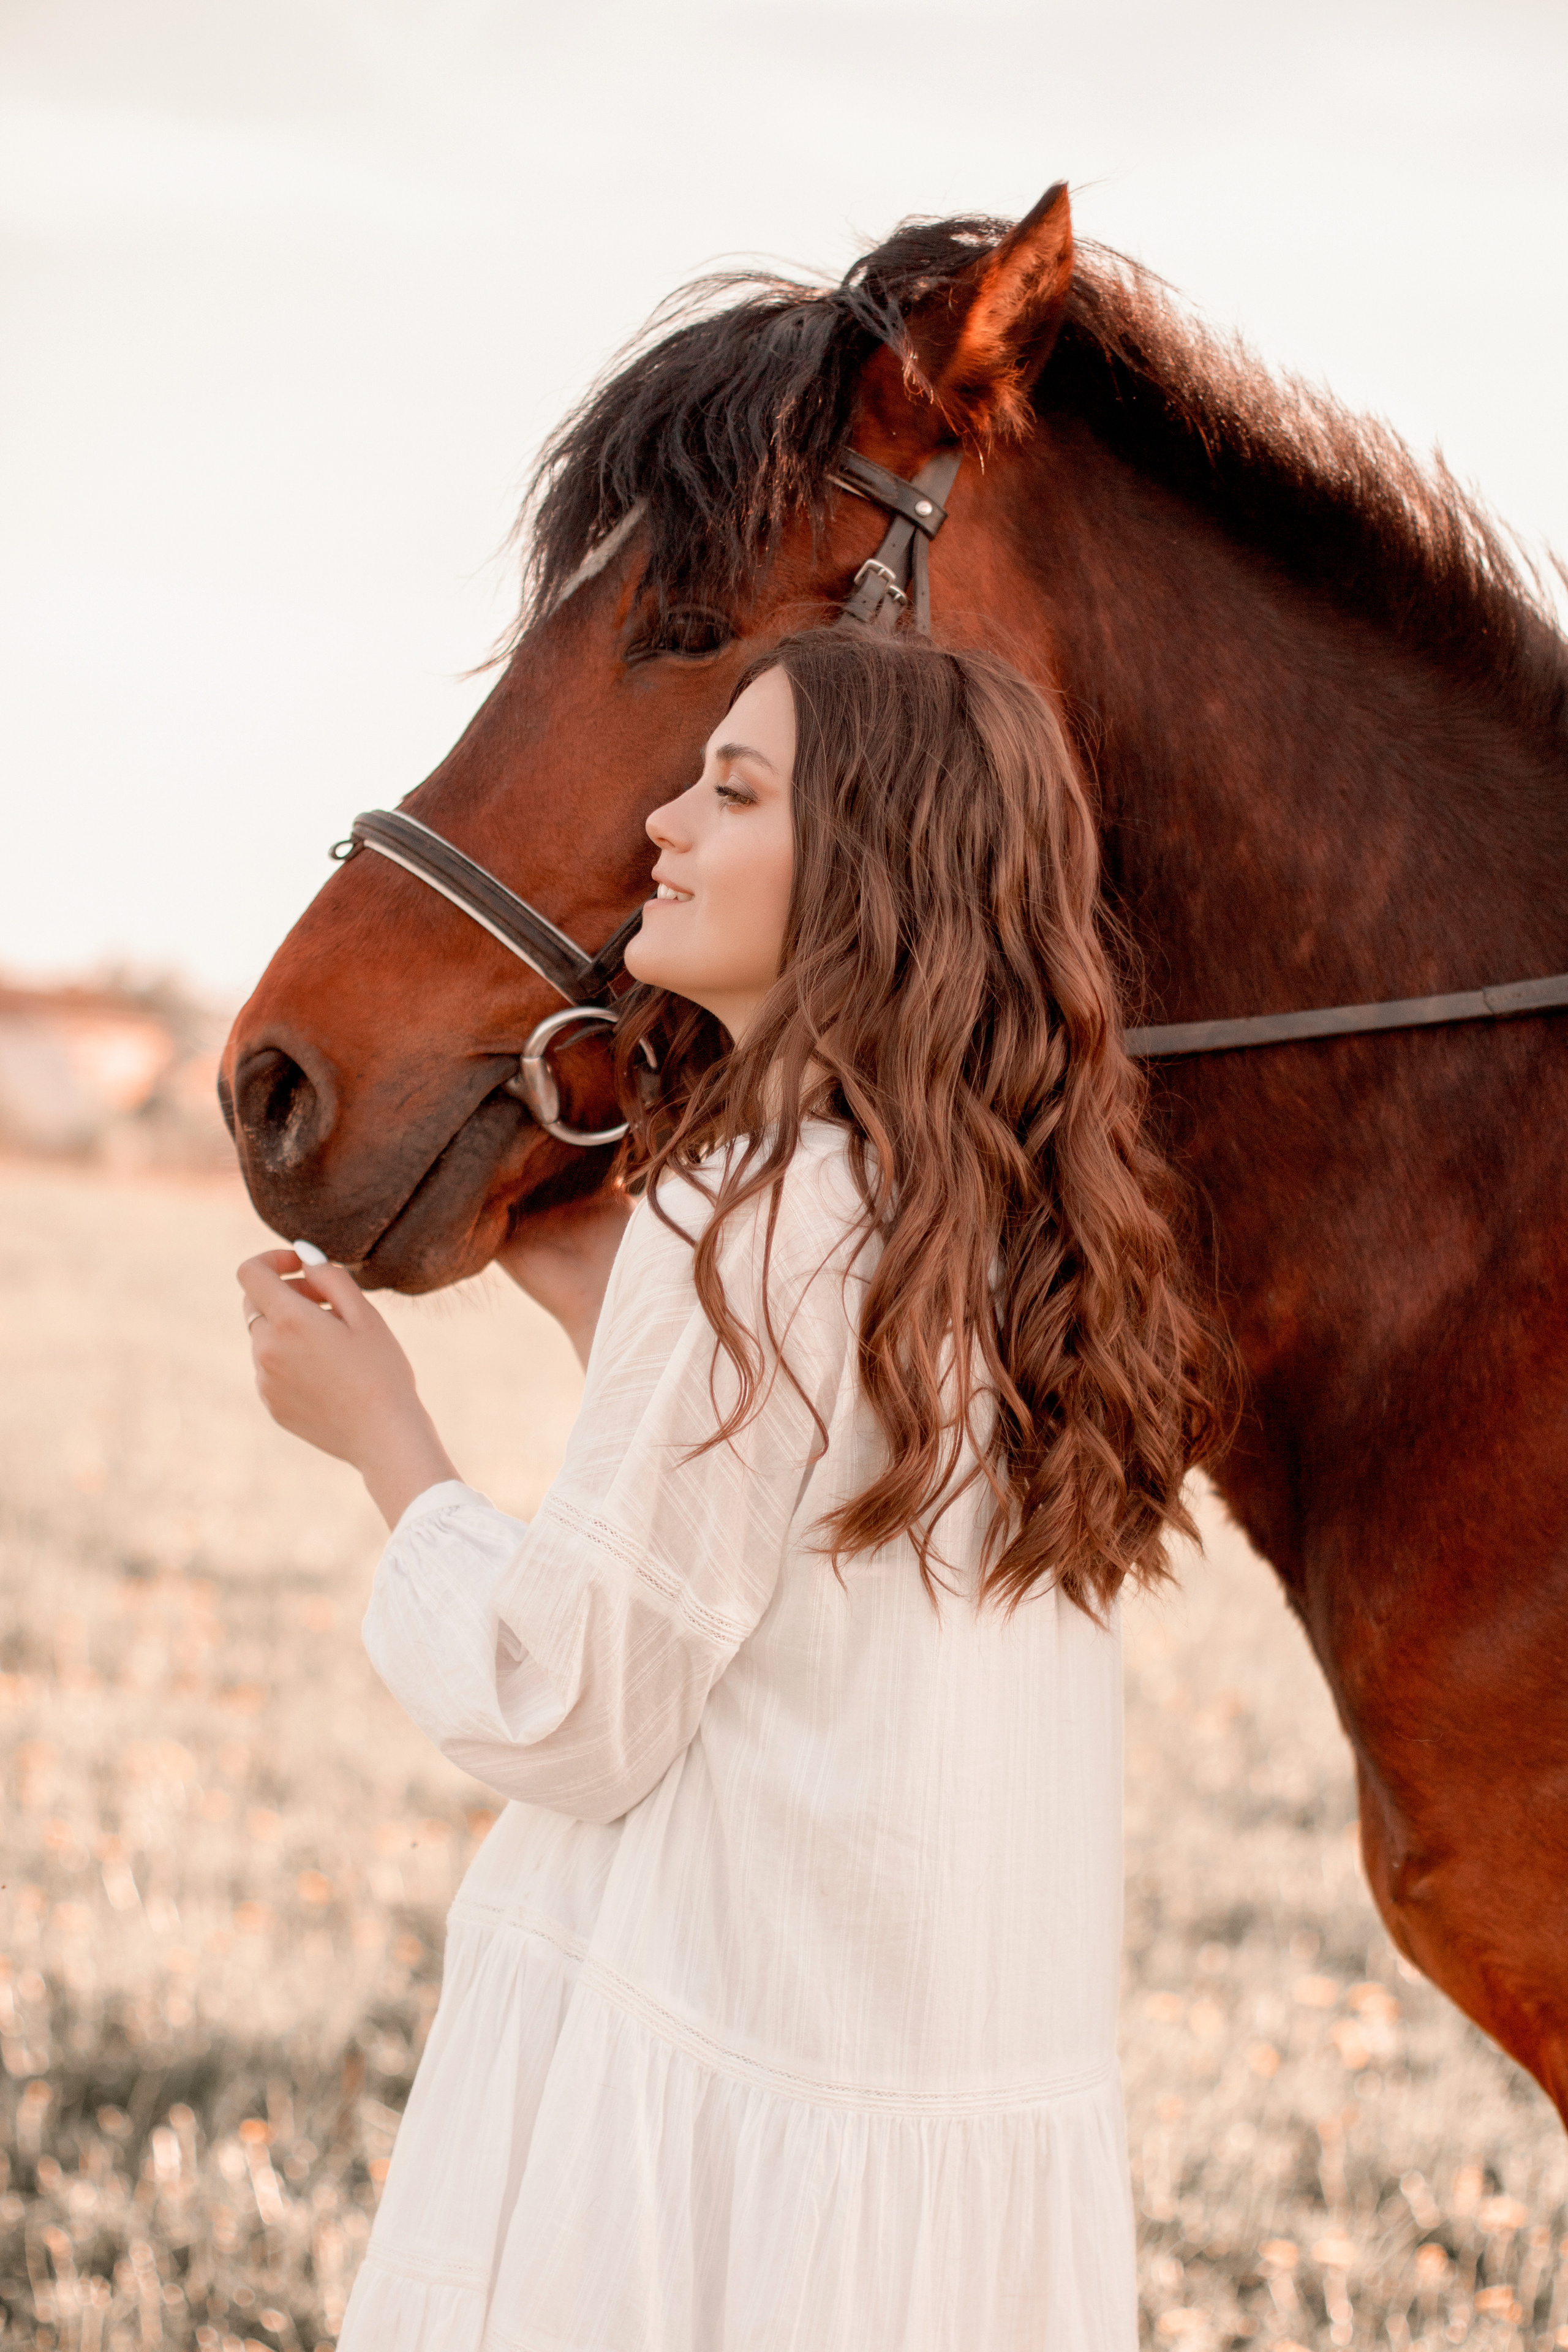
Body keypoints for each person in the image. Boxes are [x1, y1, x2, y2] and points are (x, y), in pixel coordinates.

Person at [238, 627, 1223, 2352]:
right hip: (915, 2163)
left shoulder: (758, 1224)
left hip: (710, 2167)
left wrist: (383, 1437)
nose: (660, 828)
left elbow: (578, 1705)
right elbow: (805, 1534)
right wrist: (622, 1312)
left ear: (872, 871)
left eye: (730, 788)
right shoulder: (1013, 1237)